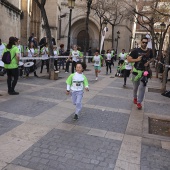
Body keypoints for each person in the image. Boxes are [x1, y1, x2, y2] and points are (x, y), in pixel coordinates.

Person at [127, 37, 153, 109]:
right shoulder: (135, 51)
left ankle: (139, 102)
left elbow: (152, 58)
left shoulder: (149, 51)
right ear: (141, 42)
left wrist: (148, 62)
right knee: (135, 87)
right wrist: (137, 59)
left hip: (145, 72)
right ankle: (135, 97)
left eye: (146, 43)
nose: (144, 44)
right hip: (136, 71)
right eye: (143, 42)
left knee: (142, 87)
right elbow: (129, 60)